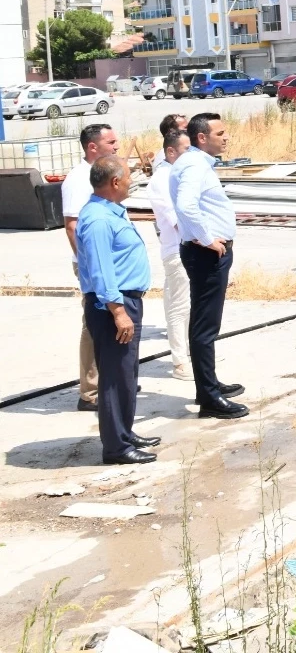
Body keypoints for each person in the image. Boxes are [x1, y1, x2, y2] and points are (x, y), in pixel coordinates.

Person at [77, 155, 160, 464]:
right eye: (128, 178)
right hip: (112, 306)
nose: (130, 183)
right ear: (114, 182)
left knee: (126, 374)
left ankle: (124, 432)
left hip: (124, 302)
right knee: (114, 377)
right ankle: (116, 448)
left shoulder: (110, 211)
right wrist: (118, 311)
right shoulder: (99, 219)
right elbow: (101, 271)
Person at [170, 113, 248, 420]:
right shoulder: (194, 165)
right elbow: (185, 205)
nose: (226, 137)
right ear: (202, 138)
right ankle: (209, 398)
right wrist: (207, 239)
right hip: (206, 254)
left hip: (206, 251)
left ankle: (209, 384)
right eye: (220, 133)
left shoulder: (197, 163)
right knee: (205, 326)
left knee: (206, 324)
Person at [61, 124, 119, 412]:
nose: (117, 146)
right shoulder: (78, 179)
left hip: (107, 262)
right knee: (93, 325)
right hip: (91, 264)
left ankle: (111, 381)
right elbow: (71, 226)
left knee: (110, 323)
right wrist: (88, 264)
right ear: (93, 147)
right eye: (111, 142)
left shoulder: (101, 174)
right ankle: (91, 392)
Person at [146, 128, 193, 380]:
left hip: (190, 247)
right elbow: (178, 220)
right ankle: (180, 362)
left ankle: (191, 353)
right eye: (186, 149)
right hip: (178, 250)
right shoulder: (162, 179)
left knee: (188, 305)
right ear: (171, 151)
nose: (191, 153)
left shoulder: (179, 174)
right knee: (179, 307)